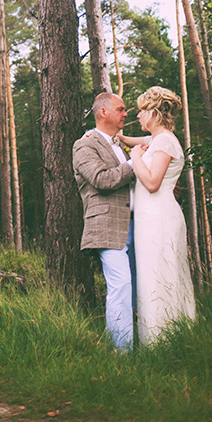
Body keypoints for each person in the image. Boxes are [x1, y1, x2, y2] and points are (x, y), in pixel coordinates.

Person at [117, 85, 196, 345]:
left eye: (141, 111)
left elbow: (152, 182)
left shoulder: (163, 141)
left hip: (159, 216)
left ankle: (163, 340)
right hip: (149, 217)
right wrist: (123, 139)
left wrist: (134, 157)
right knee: (152, 272)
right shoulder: (157, 139)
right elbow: (135, 141)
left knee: (160, 272)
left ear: (153, 112)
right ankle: (162, 336)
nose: (137, 116)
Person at [73, 92, 136, 351]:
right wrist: (136, 164)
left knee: (138, 287)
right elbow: (102, 180)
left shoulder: (120, 145)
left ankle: (146, 343)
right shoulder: (84, 145)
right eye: (121, 109)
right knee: (120, 285)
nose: (126, 113)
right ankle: (123, 353)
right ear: (104, 112)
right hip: (107, 225)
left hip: (138, 223)